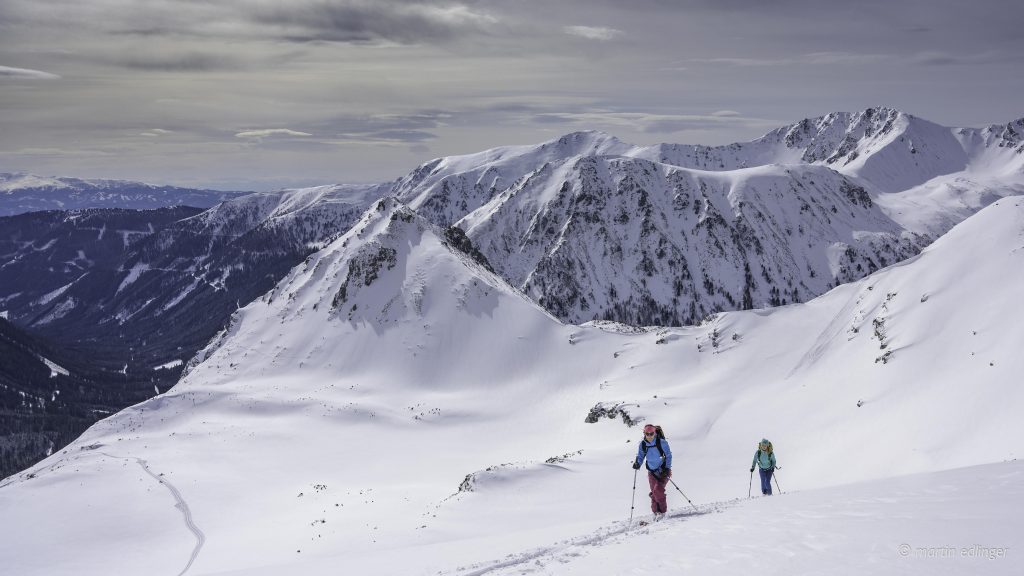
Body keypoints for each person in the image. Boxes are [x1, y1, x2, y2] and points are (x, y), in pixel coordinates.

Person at [632, 424, 672, 520]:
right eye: (647, 434)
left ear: (655, 433)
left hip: (663, 471)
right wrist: (638, 463)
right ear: (644, 433)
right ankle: (655, 512)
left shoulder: (662, 442)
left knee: (658, 490)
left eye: (651, 433)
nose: (649, 436)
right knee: (655, 492)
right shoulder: (643, 444)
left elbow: (668, 456)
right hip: (651, 472)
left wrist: (667, 468)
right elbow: (640, 456)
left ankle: (662, 512)